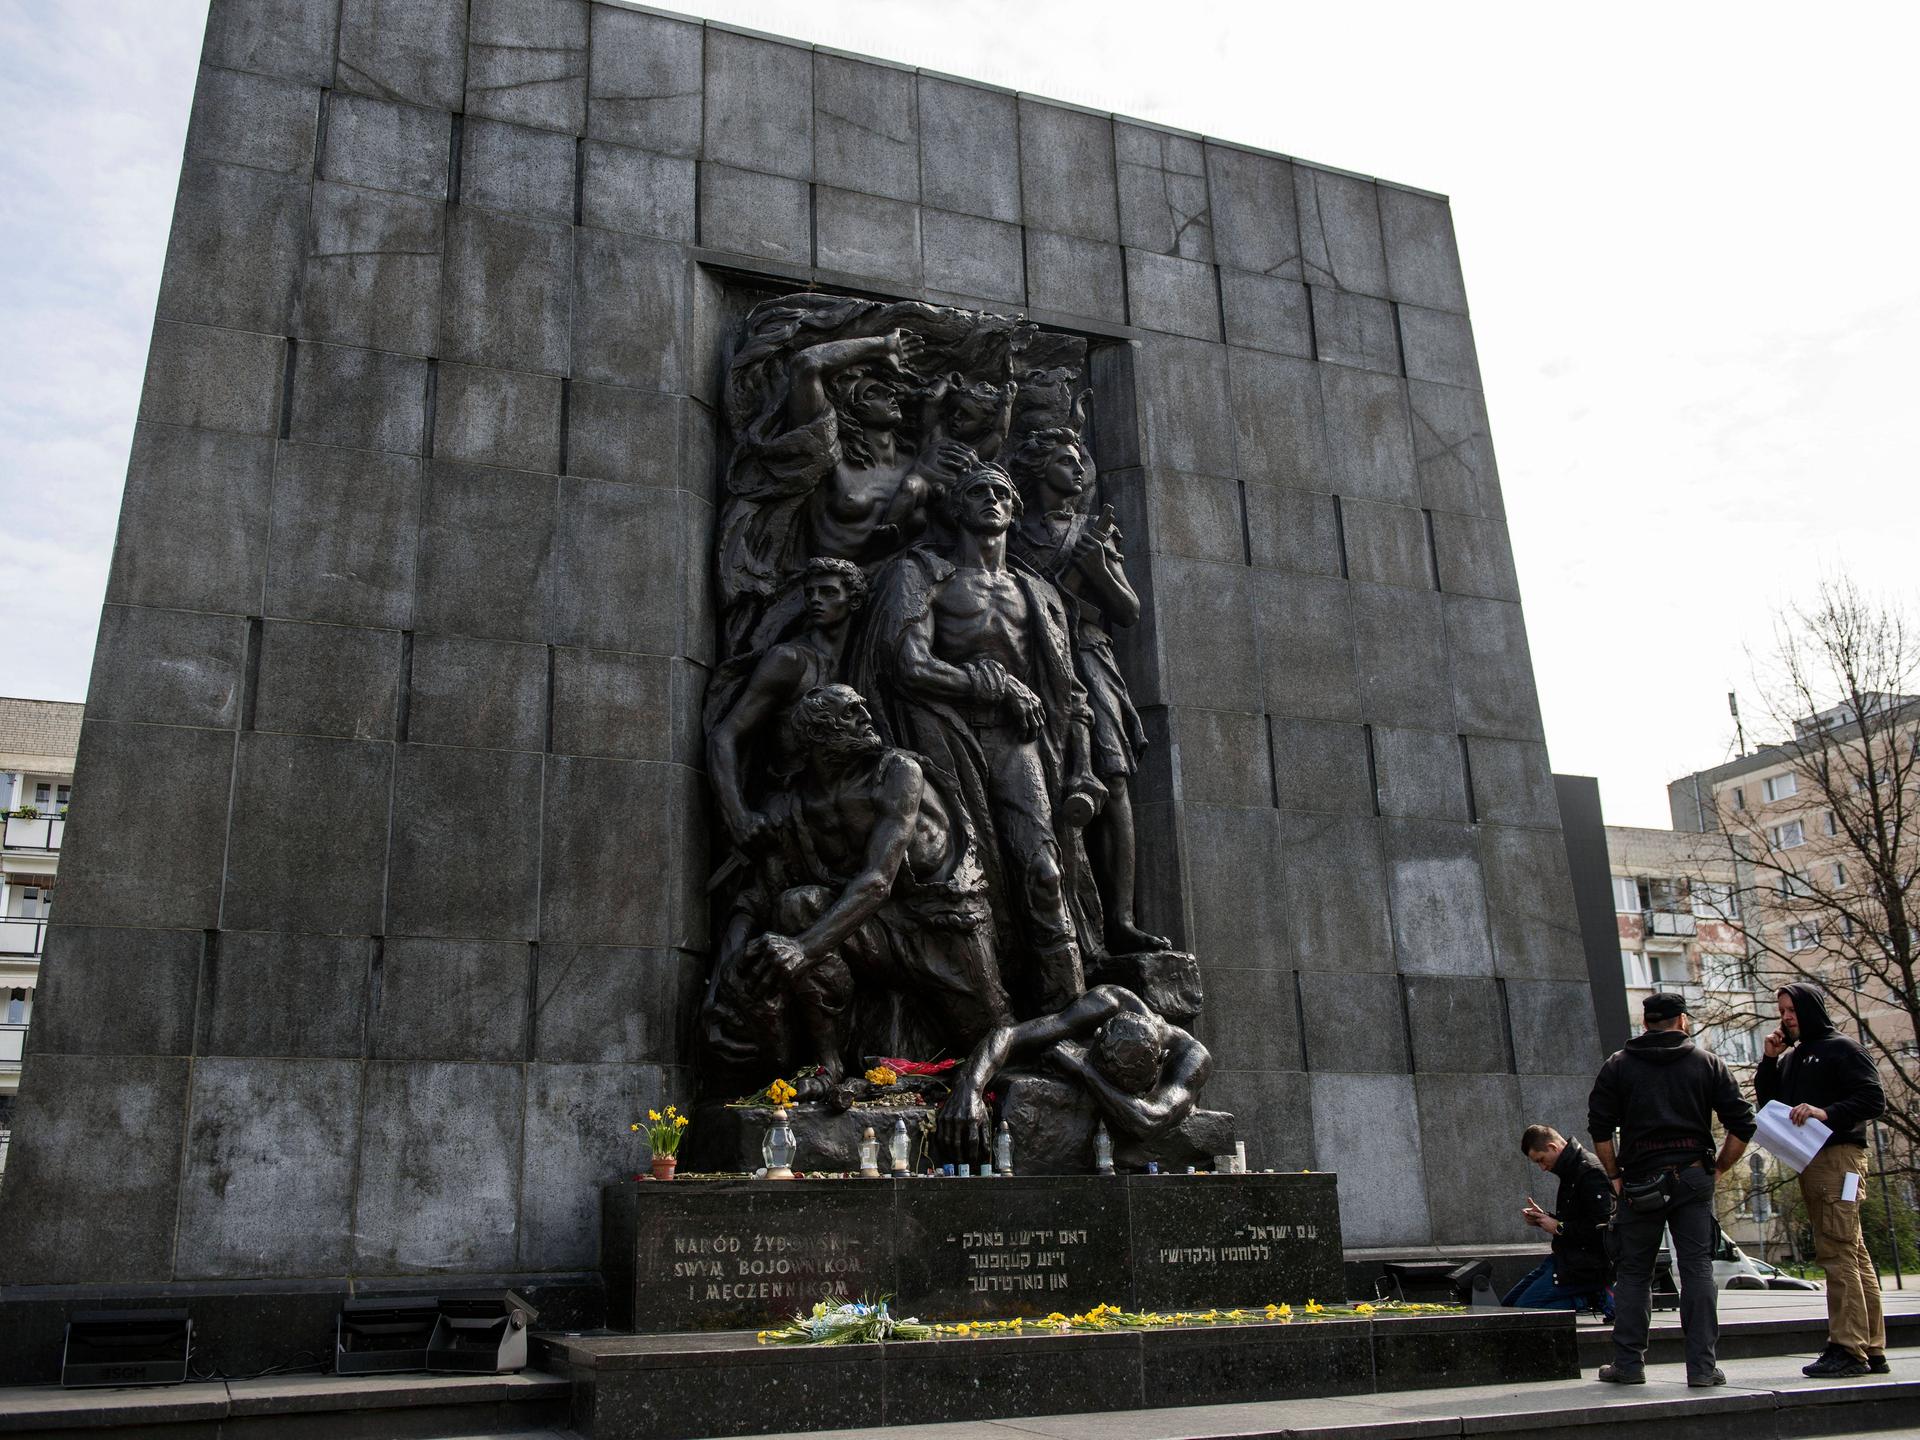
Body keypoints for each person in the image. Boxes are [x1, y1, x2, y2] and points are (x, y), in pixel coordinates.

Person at [856, 462, 1104, 1014]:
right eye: (978, 492)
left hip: (1021, 744)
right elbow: (906, 662)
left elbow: (1069, 691)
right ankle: (981, 1014)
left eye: (1002, 492)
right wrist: (986, 685)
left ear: (1015, 511)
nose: (991, 500)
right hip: (939, 736)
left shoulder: (1039, 593)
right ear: (957, 508)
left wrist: (1081, 766)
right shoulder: (921, 572)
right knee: (958, 879)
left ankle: (1071, 1011)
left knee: (1043, 871)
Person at [730, 685, 1012, 1081]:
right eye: (849, 712)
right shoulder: (793, 804)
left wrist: (802, 948)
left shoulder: (897, 772)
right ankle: (827, 1067)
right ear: (815, 734)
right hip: (874, 930)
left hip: (943, 927)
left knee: (993, 1037)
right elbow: (762, 893)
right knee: (797, 905)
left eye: (864, 706)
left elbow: (878, 880)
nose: (866, 716)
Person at [1587, 992, 1756, 1388]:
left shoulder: (1618, 1065)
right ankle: (1701, 1368)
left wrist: (1614, 1175)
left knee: (1633, 1272)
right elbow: (1743, 1124)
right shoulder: (1707, 1063)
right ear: (1682, 1020)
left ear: (1645, 1023)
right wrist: (1719, 1167)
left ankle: (1629, 1365)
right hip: (1693, 1174)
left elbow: (1599, 1128)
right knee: (1696, 1269)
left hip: (1640, 1179)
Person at [1757, 983, 1889, 1377]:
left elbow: (1873, 1099)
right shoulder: (1794, 1058)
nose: (1786, 1017)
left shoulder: (1842, 1049)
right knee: (1853, 1251)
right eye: (1781, 1010)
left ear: (1810, 1009)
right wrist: (1768, 1061)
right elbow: (1769, 1105)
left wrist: (1824, 1112)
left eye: (1792, 1009)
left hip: (1838, 1159)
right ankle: (1870, 1347)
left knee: (1837, 1252)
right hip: (1813, 1162)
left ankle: (1847, 1348)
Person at [937, 983, 1211, 1161]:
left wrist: (1083, 1070)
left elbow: (1149, 1121)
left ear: (1160, 1061)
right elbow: (1009, 1036)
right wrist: (970, 1088)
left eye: (1127, 1087)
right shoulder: (1107, 1003)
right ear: (1098, 1034)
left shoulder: (1191, 1058)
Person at [1501, 1124, 1615, 1320]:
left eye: (1541, 1160)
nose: (1543, 1168)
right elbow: (1577, 1219)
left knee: (1523, 1312)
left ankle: (1590, 1297)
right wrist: (1544, 1218)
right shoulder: (1571, 1170)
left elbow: (1602, 1228)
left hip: (1587, 1266)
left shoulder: (1589, 1171)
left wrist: (1559, 1227)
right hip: (1567, 1259)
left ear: (1553, 1147)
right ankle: (1589, 1294)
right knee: (1507, 1307)